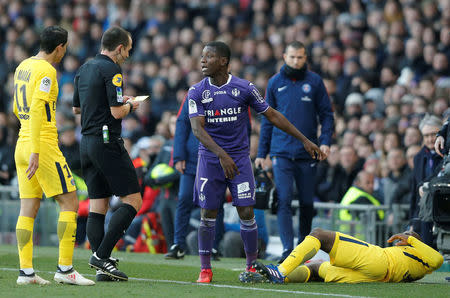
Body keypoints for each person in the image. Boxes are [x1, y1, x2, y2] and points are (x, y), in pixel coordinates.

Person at [188, 41, 325, 283]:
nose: (202, 61)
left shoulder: (244, 88)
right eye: (202, 56)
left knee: (247, 211)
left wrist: (304, 139)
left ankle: (251, 267)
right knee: (208, 214)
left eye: (208, 57)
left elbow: (272, 115)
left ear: (223, 61)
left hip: (239, 160)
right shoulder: (196, 91)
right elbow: (198, 131)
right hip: (211, 160)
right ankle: (205, 269)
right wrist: (221, 155)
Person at [13, 26, 94, 286]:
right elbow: (37, 108)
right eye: (65, 47)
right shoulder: (47, 71)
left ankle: (26, 272)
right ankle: (65, 268)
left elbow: (17, 106)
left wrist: (28, 140)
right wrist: (37, 149)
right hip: (42, 144)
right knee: (70, 200)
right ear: (59, 47)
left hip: (22, 141)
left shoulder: (23, 65)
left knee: (28, 208)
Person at [72, 26, 142, 282]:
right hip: (106, 140)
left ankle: (103, 268)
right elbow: (116, 113)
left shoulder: (83, 69)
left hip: (86, 143)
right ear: (120, 47)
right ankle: (101, 255)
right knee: (133, 200)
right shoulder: (112, 69)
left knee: (97, 205)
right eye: (128, 50)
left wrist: (117, 103)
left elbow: (77, 110)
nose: (128, 55)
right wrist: (131, 105)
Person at [255, 41, 334, 262]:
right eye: (292, 57)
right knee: (283, 199)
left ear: (305, 57)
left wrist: (325, 140)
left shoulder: (315, 82)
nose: (295, 61)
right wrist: (262, 153)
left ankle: (304, 249)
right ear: (284, 56)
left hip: (307, 152)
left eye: (299, 57)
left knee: (307, 202)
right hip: (281, 152)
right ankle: (287, 250)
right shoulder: (274, 82)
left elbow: (327, 114)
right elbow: (267, 121)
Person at [245, 228, 443, 284]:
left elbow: (438, 259)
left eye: (407, 235)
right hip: (376, 277)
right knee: (316, 269)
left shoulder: (419, 253)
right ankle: (271, 278)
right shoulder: (419, 268)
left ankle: (280, 271)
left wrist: (413, 240)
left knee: (319, 235)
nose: (403, 237)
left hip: (380, 260)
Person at [409, 115, 442, 247]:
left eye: (433, 134)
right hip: (424, 216)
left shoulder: (447, 156)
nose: (430, 139)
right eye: (426, 135)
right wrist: (412, 221)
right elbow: (414, 191)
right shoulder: (418, 157)